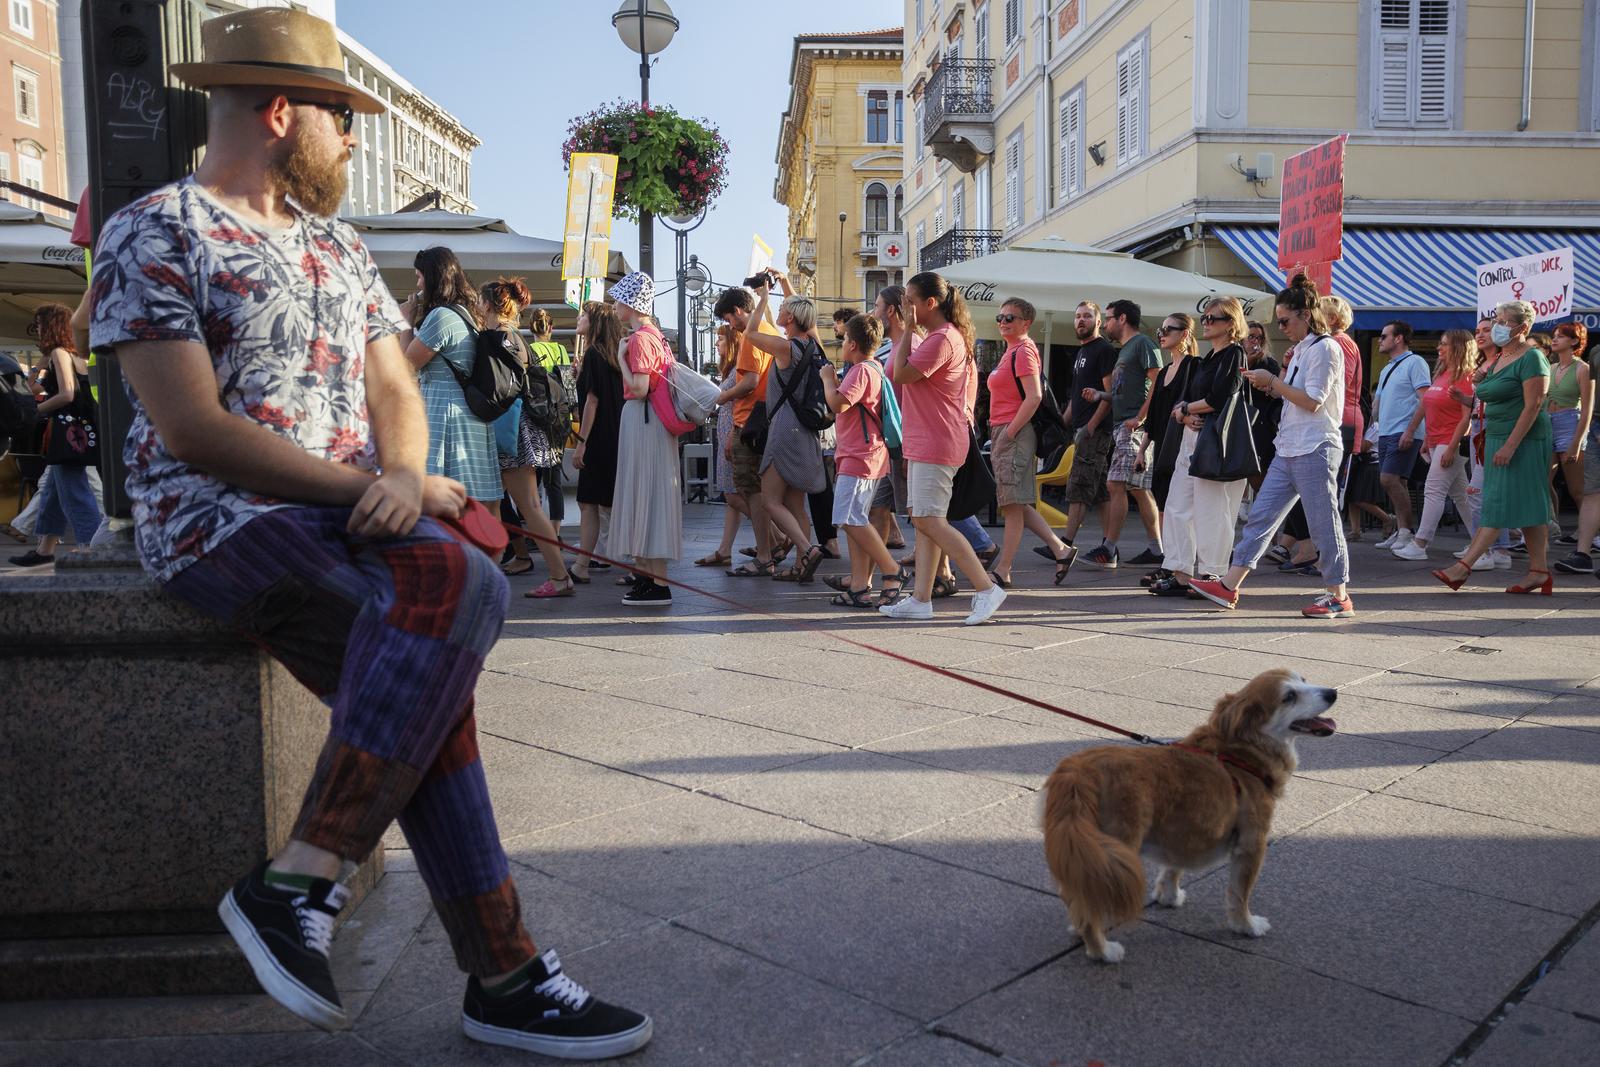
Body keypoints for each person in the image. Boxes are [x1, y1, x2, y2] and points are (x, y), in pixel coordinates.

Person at [90, 7, 650, 1055]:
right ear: (282, 109)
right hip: (218, 523)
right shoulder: (155, 228)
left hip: (353, 506)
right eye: (342, 119)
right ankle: (502, 970)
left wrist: (399, 469)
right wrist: (361, 488)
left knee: (461, 595)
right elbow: (194, 429)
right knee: (434, 676)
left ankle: (306, 879)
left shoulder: (339, 243)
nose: (351, 141)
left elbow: (393, 374)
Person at [1189, 275, 1355, 619]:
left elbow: (1313, 400)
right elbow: (1298, 398)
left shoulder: (1325, 348)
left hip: (1315, 446)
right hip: (1292, 445)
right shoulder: (1304, 350)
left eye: (1284, 321)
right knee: (1261, 517)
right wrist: (1271, 386)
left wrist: (1273, 382)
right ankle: (1229, 585)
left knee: (1323, 524)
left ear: (1305, 315)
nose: (1281, 327)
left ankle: (1339, 594)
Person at [880, 271, 1007, 624]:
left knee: (928, 519)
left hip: (937, 440)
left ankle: (985, 588)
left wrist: (906, 329)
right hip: (930, 440)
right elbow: (897, 371)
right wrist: (909, 329)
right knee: (926, 522)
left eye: (910, 300)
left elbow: (900, 374)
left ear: (930, 303)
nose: (905, 305)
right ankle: (921, 600)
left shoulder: (942, 339)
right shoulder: (940, 337)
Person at [1434, 299, 1554, 593]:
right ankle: (1539, 571)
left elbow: (1534, 405)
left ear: (1522, 327)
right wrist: (1478, 383)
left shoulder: (1532, 358)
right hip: (1496, 436)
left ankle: (1464, 567)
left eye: (1503, 321)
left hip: (1522, 439)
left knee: (1496, 503)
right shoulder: (1501, 358)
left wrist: (1511, 446)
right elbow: (1489, 397)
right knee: (1529, 507)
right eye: (1496, 319)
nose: (1497, 326)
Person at [478, 279, 575, 597]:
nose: (477, 306)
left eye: (480, 301)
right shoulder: (515, 337)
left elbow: (496, 388)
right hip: (523, 428)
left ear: (490, 304)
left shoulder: (496, 337)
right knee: (522, 505)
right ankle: (555, 575)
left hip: (510, 430)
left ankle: (559, 577)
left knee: (525, 507)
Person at [1150, 298, 1250, 598]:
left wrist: (1186, 408)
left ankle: (1213, 572)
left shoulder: (1234, 354)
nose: (1206, 322)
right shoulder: (1206, 359)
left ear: (1230, 324)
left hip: (1215, 442)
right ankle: (1180, 571)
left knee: (1213, 510)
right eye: (1203, 317)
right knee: (1177, 505)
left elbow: (1222, 396)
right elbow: (1191, 401)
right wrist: (1185, 412)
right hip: (1193, 439)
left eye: (1212, 318)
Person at [740, 273, 829, 583]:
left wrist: (763, 298)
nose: (777, 312)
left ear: (790, 317)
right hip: (806, 431)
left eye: (782, 309)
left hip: (784, 428)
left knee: (770, 501)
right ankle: (801, 565)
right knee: (795, 504)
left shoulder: (783, 348)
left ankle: (807, 549)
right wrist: (787, 283)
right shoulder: (814, 346)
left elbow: (750, 334)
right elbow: (805, 314)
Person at [985, 297, 1076, 587]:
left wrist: (1009, 433)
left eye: (1009, 318)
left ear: (1026, 323)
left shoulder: (1023, 351)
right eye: (1000, 317)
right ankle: (1060, 549)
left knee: (1012, 505)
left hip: (1015, 432)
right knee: (1018, 502)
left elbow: (1034, 396)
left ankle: (1004, 569)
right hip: (1007, 429)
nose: (1002, 322)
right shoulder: (1010, 351)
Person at [400, 247, 501, 506]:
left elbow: (407, 364)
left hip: (444, 412)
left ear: (433, 278)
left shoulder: (441, 316)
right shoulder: (466, 313)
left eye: (420, 276)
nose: (417, 283)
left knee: (444, 501)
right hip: (467, 411)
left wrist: (405, 321)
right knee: (474, 503)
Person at [6, 304, 102, 567]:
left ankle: (91, 547)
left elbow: (67, 394)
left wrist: (37, 410)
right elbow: (32, 386)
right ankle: (45, 549)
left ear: (50, 326)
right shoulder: (71, 353)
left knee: (74, 491)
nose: (36, 330)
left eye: (39, 325)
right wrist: (40, 362)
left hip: (67, 431)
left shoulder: (61, 353)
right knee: (51, 493)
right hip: (77, 429)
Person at [608, 272, 682, 606]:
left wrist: (621, 360)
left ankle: (653, 580)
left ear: (630, 303)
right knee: (651, 494)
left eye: (618, 299)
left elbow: (638, 388)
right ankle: (651, 576)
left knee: (643, 491)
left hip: (644, 417)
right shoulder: (657, 337)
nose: (614, 306)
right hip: (654, 421)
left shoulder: (639, 340)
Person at [819, 313, 901, 606]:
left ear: (851, 343)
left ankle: (892, 568)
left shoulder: (861, 371)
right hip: (866, 454)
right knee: (855, 521)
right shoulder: (874, 368)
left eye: (842, 340)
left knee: (847, 518)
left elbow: (839, 404)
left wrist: (829, 380)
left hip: (860, 456)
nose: (841, 345)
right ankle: (858, 586)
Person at [1083, 299, 1163, 569]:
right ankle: (1156, 550)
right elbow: (1125, 391)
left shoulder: (1142, 344)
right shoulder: (1126, 350)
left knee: (1115, 484)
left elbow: (1157, 381)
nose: (1105, 324)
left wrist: (1141, 417)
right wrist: (1101, 395)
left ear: (1122, 318)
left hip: (1132, 428)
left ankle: (1109, 549)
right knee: (1138, 489)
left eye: (1108, 319)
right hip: (1124, 425)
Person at [715, 286, 786, 576]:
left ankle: (766, 554)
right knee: (761, 493)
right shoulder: (770, 330)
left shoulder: (750, 337)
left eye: (729, 318)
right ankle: (779, 546)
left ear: (738, 311)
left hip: (749, 423)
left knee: (752, 493)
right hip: (769, 419)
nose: (731, 325)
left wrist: (720, 397)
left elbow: (750, 382)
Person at [1393, 329, 1479, 563]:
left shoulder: (1468, 377)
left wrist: (1451, 447)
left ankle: (1420, 543)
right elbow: (1429, 408)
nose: (1439, 348)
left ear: (1459, 348)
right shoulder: (1442, 373)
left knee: (1433, 490)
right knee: (1461, 495)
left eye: (1444, 344)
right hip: (1437, 441)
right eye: (1440, 344)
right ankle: (1483, 546)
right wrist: (1427, 439)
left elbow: (1466, 418)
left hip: (1451, 442)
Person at [1138, 313, 1197, 587]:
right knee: (1164, 503)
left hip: (1183, 444)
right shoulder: (1163, 372)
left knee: (1179, 508)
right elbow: (1155, 414)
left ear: (1184, 334)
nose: (1161, 334)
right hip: (1162, 444)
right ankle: (1169, 562)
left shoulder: (1193, 366)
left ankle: (1179, 565)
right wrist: (1143, 448)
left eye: (1168, 329)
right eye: (1160, 329)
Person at [571, 300, 625, 584]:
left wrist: (582, 441)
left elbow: (592, 401)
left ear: (595, 323)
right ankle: (588, 562)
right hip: (616, 434)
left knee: (589, 502)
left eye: (584, 315)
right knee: (606, 501)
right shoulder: (613, 354)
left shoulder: (593, 354)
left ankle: (582, 564)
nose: (579, 318)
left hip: (597, 436)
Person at [1059, 301, 1118, 549]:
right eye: (1077, 316)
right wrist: (1060, 426)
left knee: (1079, 487)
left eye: (1086, 316)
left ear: (1098, 322)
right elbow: (1075, 398)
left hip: (1095, 431)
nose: (1081, 320)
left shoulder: (1103, 350)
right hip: (1081, 429)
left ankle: (1064, 545)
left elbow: (1110, 393)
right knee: (1101, 492)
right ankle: (1108, 548)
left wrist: (1091, 426)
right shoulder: (1081, 352)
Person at [1370, 321, 1430, 551]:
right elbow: (1379, 403)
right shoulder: (1388, 367)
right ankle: (1402, 531)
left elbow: (1425, 398)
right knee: (1397, 482)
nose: (1379, 340)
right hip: (1386, 432)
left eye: (1384, 336)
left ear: (1398, 338)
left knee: (1389, 479)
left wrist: (1411, 430)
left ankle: (1406, 531)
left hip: (1403, 431)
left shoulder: (1415, 362)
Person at [1460, 316, 1514, 568]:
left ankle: (1486, 550)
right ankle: (1500, 550)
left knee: (1477, 492)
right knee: (1489, 492)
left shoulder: (1505, 361)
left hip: (1493, 426)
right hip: (1477, 426)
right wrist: (1464, 398)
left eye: (1486, 330)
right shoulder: (1482, 363)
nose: (1480, 335)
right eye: (1477, 331)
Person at [698, 324, 748, 568]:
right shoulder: (732, 368)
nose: (717, 344)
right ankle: (725, 549)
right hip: (728, 429)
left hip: (732, 430)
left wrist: (732, 435)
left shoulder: (740, 367)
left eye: (720, 340)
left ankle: (777, 533)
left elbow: (740, 402)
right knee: (733, 496)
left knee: (732, 495)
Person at [869, 286, 909, 553]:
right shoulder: (893, 347)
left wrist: (908, 450)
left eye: (877, 306)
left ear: (891, 311)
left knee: (923, 515)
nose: (874, 312)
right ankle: (871, 572)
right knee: (877, 506)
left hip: (904, 443)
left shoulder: (910, 345)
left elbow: (913, 400)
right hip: (891, 441)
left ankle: (944, 571)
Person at [1546, 321, 1593, 540]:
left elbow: (1587, 411)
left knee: (1577, 490)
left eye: (1561, 336)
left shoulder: (1583, 368)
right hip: (1548, 424)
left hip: (1570, 425)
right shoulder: (1551, 367)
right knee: (1541, 481)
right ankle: (1546, 529)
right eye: (1554, 335)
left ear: (1574, 341)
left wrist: (1576, 443)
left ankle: (1592, 534)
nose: (1555, 339)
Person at [526, 309, 572, 529]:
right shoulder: (562, 350)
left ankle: (534, 528)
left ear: (531, 329)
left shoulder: (530, 349)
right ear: (551, 328)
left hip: (538, 416)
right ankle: (555, 530)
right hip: (561, 419)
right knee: (554, 478)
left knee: (532, 476)